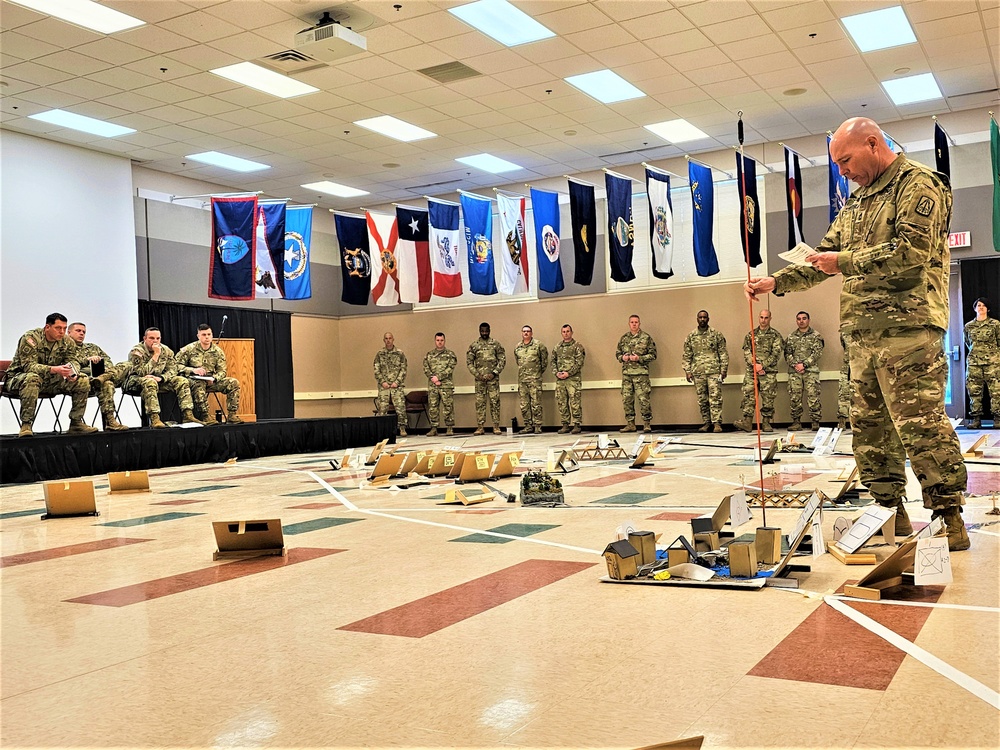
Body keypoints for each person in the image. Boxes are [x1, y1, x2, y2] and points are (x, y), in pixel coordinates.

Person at [745, 116, 969, 550]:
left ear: (872, 143)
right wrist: (777, 282)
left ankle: (948, 516)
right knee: (870, 430)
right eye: (838, 165)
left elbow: (910, 251)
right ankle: (889, 510)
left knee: (921, 426)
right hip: (861, 335)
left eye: (846, 160)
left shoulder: (919, 185)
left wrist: (842, 261)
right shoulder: (856, 201)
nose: (843, 171)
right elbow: (823, 258)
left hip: (908, 330)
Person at [6, 312, 96, 437]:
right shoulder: (31, 339)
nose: (62, 332)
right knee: (32, 378)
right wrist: (54, 369)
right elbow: (28, 366)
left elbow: (73, 360)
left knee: (82, 379)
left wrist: (72, 372)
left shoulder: (67, 341)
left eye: (64, 328)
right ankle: (26, 425)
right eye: (58, 328)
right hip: (19, 379)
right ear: (47, 327)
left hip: (50, 381)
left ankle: (76, 423)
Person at [122, 327, 203, 429]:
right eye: (151, 338)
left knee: (182, 380)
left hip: (159, 380)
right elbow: (142, 372)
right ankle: (155, 418)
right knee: (150, 381)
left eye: (158, 338)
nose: (155, 341)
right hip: (136, 381)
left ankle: (188, 415)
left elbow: (173, 369)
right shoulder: (136, 352)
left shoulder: (166, 350)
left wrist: (162, 378)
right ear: (145, 338)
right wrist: (156, 355)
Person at [176, 324, 243, 425]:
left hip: (211, 379)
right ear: (198, 336)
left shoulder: (217, 351)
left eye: (209, 334)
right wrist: (193, 370)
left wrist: (214, 379)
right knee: (199, 382)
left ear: (212, 335)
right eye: (203, 335)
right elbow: (175, 365)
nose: (207, 337)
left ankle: (232, 415)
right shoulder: (189, 349)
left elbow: (222, 371)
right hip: (193, 380)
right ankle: (205, 415)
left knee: (233, 383)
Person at [67, 321, 127, 431]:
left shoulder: (92, 347)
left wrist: (104, 367)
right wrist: (87, 360)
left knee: (126, 366)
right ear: (69, 332)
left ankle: (110, 420)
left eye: (84, 332)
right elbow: (69, 366)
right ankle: (104, 378)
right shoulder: (64, 348)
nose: (81, 334)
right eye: (78, 331)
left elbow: (108, 361)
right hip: (79, 381)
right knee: (107, 382)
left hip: (98, 378)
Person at [734, 309, 783, 433]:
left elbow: (776, 353)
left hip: (768, 372)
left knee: (768, 397)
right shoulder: (751, 335)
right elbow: (747, 352)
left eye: (766, 317)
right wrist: (755, 365)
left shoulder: (775, 335)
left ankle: (766, 422)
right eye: (761, 317)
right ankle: (747, 422)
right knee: (749, 395)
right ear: (758, 318)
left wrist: (763, 366)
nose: (763, 320)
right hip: (752, 372)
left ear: (770, 318)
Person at [682, 310, 728, 433]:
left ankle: (717, 423)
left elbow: (723, 353)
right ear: (697, 319)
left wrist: (723, 370)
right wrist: (687, 370)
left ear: (708, 319)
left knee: (715, 398)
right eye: (700, 317)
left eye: (705, 317)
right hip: (698, 372)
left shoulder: (716, 334)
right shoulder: (691, 336)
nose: (702, 319)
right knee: (702, 399)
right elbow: (687, 355)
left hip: (714, 371)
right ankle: (707, 422)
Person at [615, 314, 657, 432]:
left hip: (641, 374)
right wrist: (622, 357)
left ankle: (647, 423)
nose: (634, 324)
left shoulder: (646, 338)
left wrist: (639, 358)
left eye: (636, 322)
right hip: (627, 374)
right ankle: (630, 424)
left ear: (639, 324)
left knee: (644, 399)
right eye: (632, 322)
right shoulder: (624, 339)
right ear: (629, 324)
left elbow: (653, 355)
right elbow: (617, 353)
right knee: (627, 399)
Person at [784, 311, 825, 430]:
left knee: (813, 396)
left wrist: (804, 365)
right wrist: (796, 365)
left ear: (809, 320)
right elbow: (787, 353)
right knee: (794, 397)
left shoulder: (816, 336)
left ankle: (815, 422)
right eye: (799, 319)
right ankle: (796, 422)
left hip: (811, 371)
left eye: (804, 318)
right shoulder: (791, 337)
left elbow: (817, 353)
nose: (801, 321)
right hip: (794, 372)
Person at [964, 297, 1000, 429]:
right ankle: (976, 419)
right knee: (974, 392)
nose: (981, 307)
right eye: (978, 305)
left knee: (996, 392)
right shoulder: (968, 326)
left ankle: (997, 419)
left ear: (988, 308)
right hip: (974, 363)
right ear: (974, 308)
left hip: (993, 363)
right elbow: (968, 343)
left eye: (984, 305)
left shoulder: (995, 324)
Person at [466, 322, 506, 435]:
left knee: (495, 402)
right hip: (480, 380)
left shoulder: (495, 344)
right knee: (480, 403)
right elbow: (469, 362)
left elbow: (502, 360)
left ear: (489, 330)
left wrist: (494, 373)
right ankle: (480, 427)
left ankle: (496, 426)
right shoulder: (474, 345)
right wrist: (477, 374)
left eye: (486, 331)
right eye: (482, 331)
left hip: (493, 379)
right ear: (479, 330)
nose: (484, 333)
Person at [514, 325, 548, 434]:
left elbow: (544, 362)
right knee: (524, 404)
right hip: (522, 380)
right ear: (521, 333)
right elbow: (518, 362)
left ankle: (538, 426)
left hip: (535, 379)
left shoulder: (539, 345)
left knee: (536, 403)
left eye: (528, 331)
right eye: (524, 331)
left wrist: (537, 374)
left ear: (532, 333)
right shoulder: (518, 347)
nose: (526, 333)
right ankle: (528, 425)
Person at [552, 324, 586, 434]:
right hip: (560, 380)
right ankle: (565, 424)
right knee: (562, 402)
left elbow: (579, 363)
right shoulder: (557, 347)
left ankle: (576, 424)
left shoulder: (577, 346)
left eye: (568, 331)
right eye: (564, 332)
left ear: (571, 332)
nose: (566, 333)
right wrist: (556, 373)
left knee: (575, 402)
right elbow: (553, 361)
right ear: (561, 333)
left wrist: (568, 373)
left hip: (573, 379)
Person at [373, 332, 407, 437]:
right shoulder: (380, 354)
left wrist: (397, 382)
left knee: (400, 407)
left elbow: (403, 369)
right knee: (382, 408)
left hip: (397, 386)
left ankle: (402, 428)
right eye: (386, 338)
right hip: (384, 386)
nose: (388, 340)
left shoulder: (400, 353)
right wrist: (382, 382)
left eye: (390, 338)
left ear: (393, 339)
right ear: (384, 340)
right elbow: (376, 369)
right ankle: (382, 430)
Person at [423, 332, 457, 437]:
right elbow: (426, 368)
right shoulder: (429, 355)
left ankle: (449, 428)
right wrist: (434, 379)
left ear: (444, 341)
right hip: (433, 385)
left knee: (448, 407)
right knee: (433, 407)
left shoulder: (450, 354)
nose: (440, 342)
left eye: (441, 340)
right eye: (438, 340)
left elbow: (450, 368)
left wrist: (439, 377)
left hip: (446, 385)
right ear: (435, 341)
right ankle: (434, 428)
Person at [838, 334, 851, 430]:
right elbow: (844, 345)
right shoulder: (844, 332)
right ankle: (842, 421)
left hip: (862, 364)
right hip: (847, 366)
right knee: (843, 394)